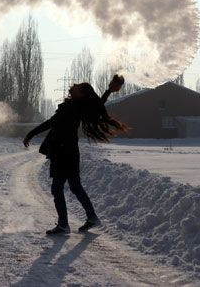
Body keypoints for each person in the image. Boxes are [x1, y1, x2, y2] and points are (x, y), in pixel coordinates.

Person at [23, 74, 128, 235]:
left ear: (81, 94)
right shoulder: (73, 106)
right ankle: (91, 217)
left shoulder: (76, 107)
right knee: (75, 186)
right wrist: (108, 91)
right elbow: (95, 104)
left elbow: (95, 105)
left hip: (64, 153)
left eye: (77, 86)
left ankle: (64, 224)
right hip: (68, 152)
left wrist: (31, 134)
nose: (73, 85)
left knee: (57, 188)